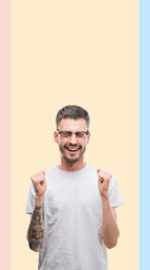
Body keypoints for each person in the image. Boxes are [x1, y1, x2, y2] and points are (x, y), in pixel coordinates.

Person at [26, 105, 122, 270]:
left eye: (79, 134)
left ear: (88, 137)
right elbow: (35, 245)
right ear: (56, 136)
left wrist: (104, 196)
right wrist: (39, 199)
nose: (72, 141)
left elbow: (111, 242)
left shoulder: (104, 181)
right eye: (66, 134)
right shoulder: (41, 182)